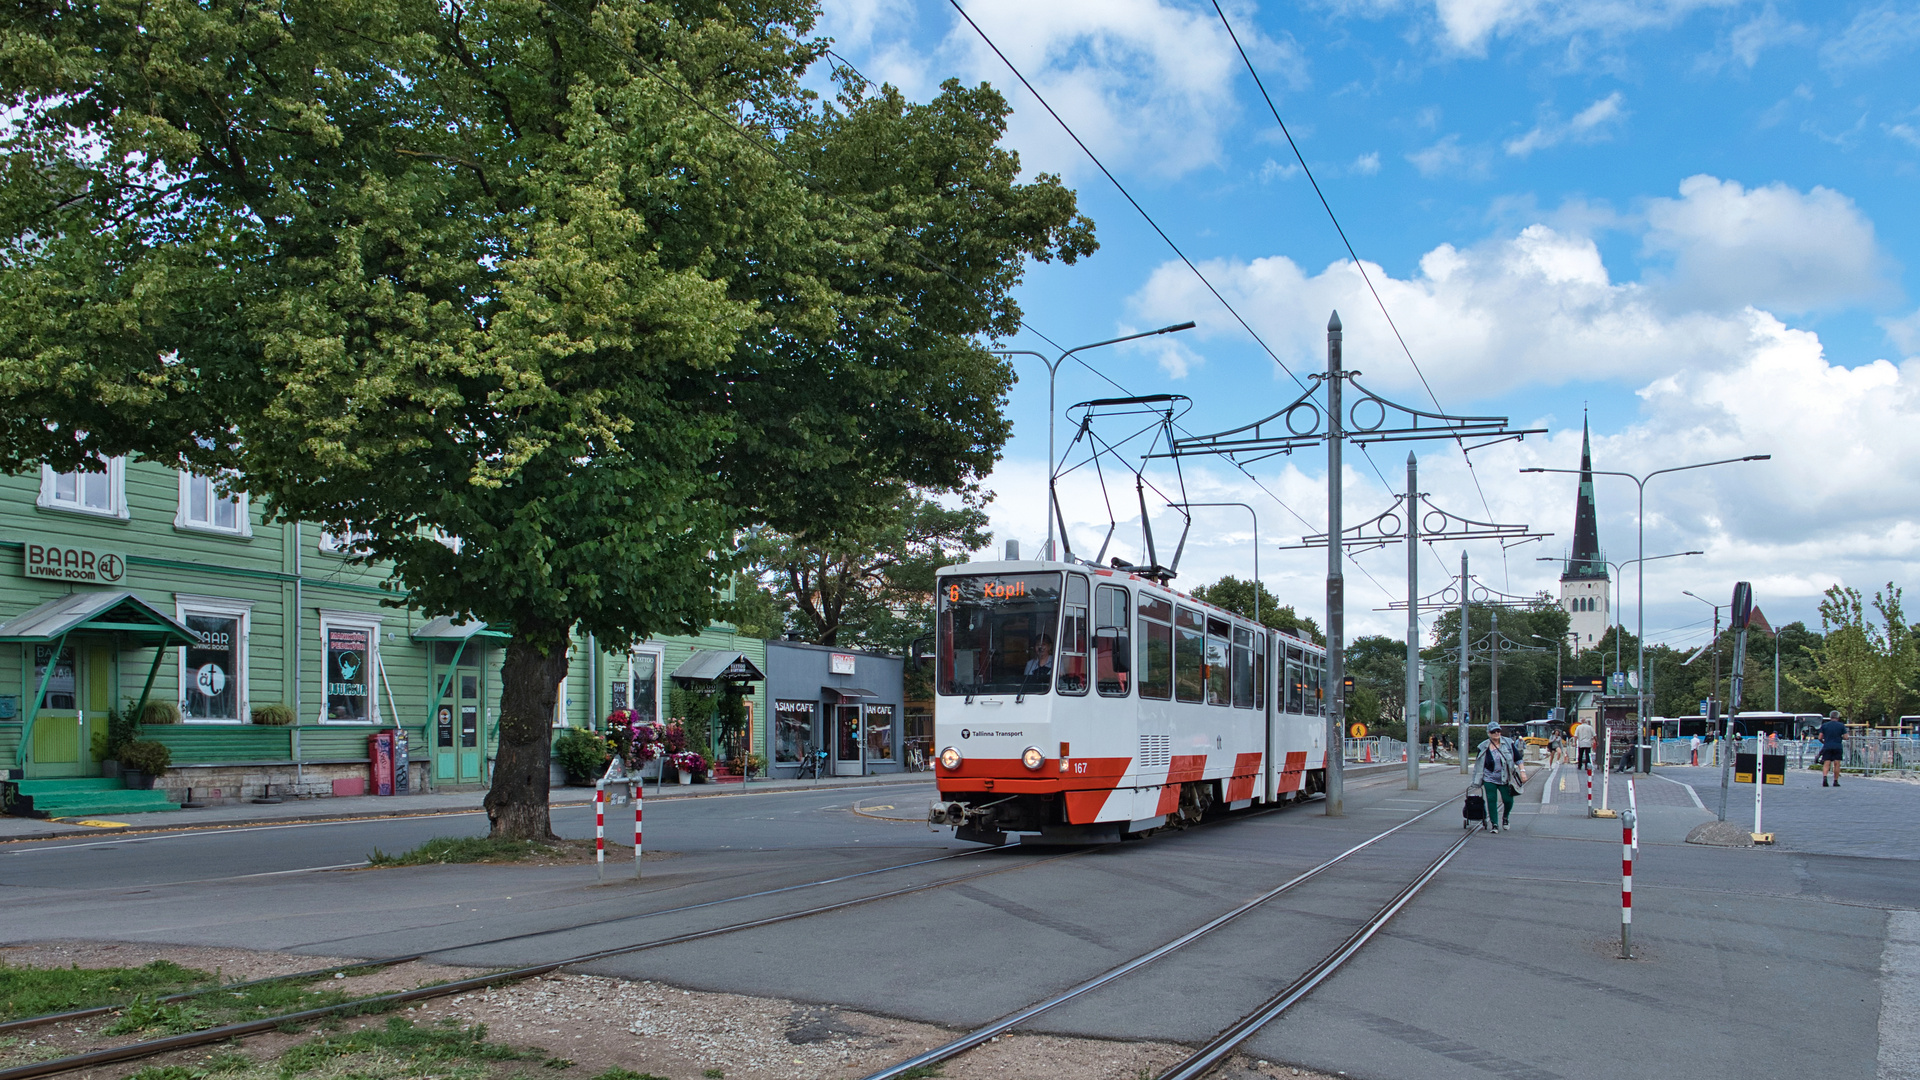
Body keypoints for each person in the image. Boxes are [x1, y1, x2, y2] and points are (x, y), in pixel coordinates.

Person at [1473, 724, 1526, 833]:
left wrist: (1522, 771)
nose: (1496, 733)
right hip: (1489, 778)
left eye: (1498, 731)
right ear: (1489, 733)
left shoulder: (1508, 743)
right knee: (1491, 800)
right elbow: (1478, 764)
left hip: (1505, 777)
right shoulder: (1483, 746)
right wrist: (1477, 779)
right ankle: (1495, 824)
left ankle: (1505, 817)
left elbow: (1518, 759)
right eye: (1493, 732)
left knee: (1508, 800)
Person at [1819, 711, 1846, 787]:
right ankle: (1835, 781)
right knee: (1837, 764)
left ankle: (1825, 777)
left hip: (1827, 746)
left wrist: (1824, 742)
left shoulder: (1824, 725)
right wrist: (1841, 737)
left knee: (1826, 763)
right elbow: (1846, 737)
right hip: (1837, 746)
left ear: (1830, 717)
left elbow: (1820, 737)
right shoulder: (1841, 726)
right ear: (1838, 717)